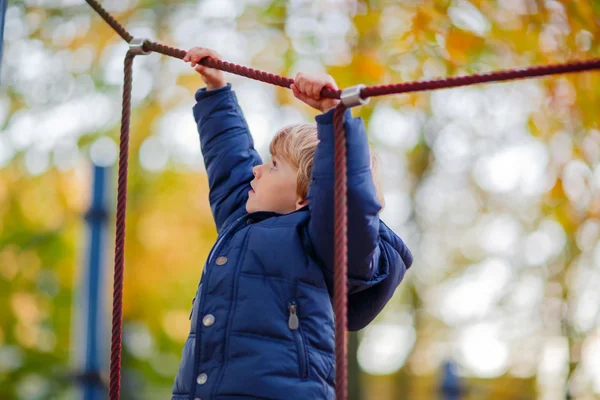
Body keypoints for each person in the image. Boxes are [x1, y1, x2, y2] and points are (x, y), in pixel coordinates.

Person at [171, 47, 413, 400]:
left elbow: (344, 196)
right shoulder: (244, 222)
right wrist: (216, 90)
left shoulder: (320, 242)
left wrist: (334, 117)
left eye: (272, 166)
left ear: (305, 197)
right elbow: (231, 164)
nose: (257, 169)